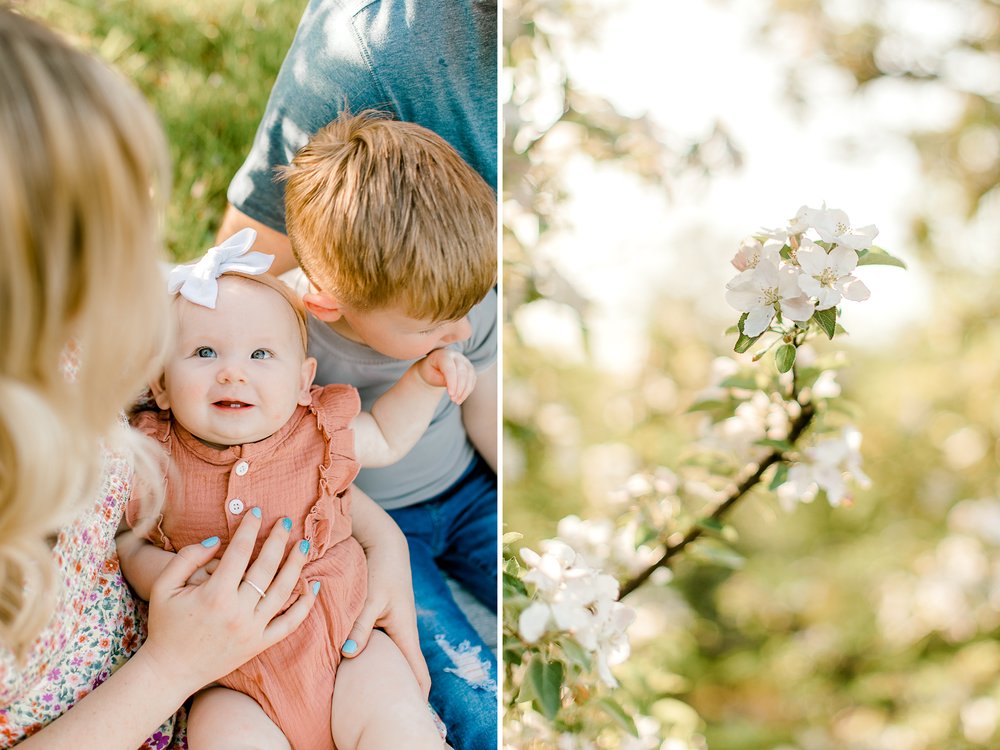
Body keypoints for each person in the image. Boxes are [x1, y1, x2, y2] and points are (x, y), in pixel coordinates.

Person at [0, 9, 418, 748]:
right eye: (86, 234)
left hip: (291, 636)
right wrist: (172, 668)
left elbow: (252, 371)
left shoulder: (81, 330)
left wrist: (384, 546)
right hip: (204, 696)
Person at [118, 232, 475, 750]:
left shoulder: (317, 428)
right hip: (232, 680)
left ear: (303, 380)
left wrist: (425, 379)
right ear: (162, 387)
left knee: (395, 723)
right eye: (204, 352)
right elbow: (131, 544)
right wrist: (179, 577)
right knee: (220, 731)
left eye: (261, 353)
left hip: (344, 646)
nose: (233, 371)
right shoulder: (153, 457)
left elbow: (389, 435)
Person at [255, 110, 498, 749]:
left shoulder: (456, 295)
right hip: (379, 529)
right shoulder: (278, 336)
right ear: (328, 303)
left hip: (470, 490)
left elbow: (488, 415)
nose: (461, 333)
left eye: (466, 312)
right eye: (432, 327)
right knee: (466, 683)